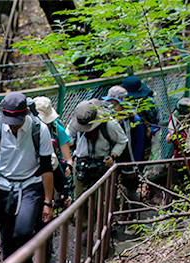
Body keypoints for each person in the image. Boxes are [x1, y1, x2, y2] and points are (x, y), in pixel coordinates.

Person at [0, 91, 55, 263]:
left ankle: (25, 261)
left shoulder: (39, 129)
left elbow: (46, 167)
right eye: (8, 119)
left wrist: (48, 201)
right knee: (6, 232)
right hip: (2, 185)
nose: (12, 124)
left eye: (16, 120)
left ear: (26, 113)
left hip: (30, 184)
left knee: (23, 230)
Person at [66, 99, 128, 200]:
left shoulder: (109, 124)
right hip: (81, 165)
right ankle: (81, 216)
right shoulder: (77, 120)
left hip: (101, 164)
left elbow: (122, 140)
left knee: (99, 202)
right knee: (80, 200)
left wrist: (113, 155)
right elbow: (68, 136)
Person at [102, 86, 146, 214]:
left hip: (129, 160)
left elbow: (139, 145)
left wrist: (134, 166)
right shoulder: (107, 120)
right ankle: (112, 219)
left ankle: (134, 218)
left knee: (130, 191)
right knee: (109, 192)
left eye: (114, 105)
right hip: (112, 159)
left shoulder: (134, 120)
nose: (111, 107)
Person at [32, 95, 73, 208]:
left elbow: (68, 158)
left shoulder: (57, 129)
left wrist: (67, 168)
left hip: (53, 170)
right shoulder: (27, 130)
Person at [122, 75, 160, 160]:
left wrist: (151, 130)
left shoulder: (148, 103)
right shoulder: (120, 103)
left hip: (144, 141)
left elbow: (157, 123)